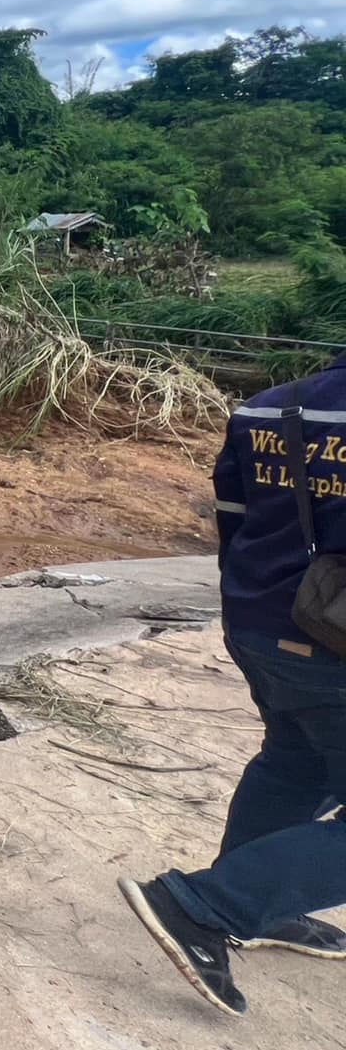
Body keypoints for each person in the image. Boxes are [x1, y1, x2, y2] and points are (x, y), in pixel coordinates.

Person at [119, 358, 346, 1016]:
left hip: (255, 623)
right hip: (335, 646)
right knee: (298, 762)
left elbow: (234, 522)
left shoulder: (268, 406)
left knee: (294, 762)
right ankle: (206, 906)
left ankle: (263, 906)